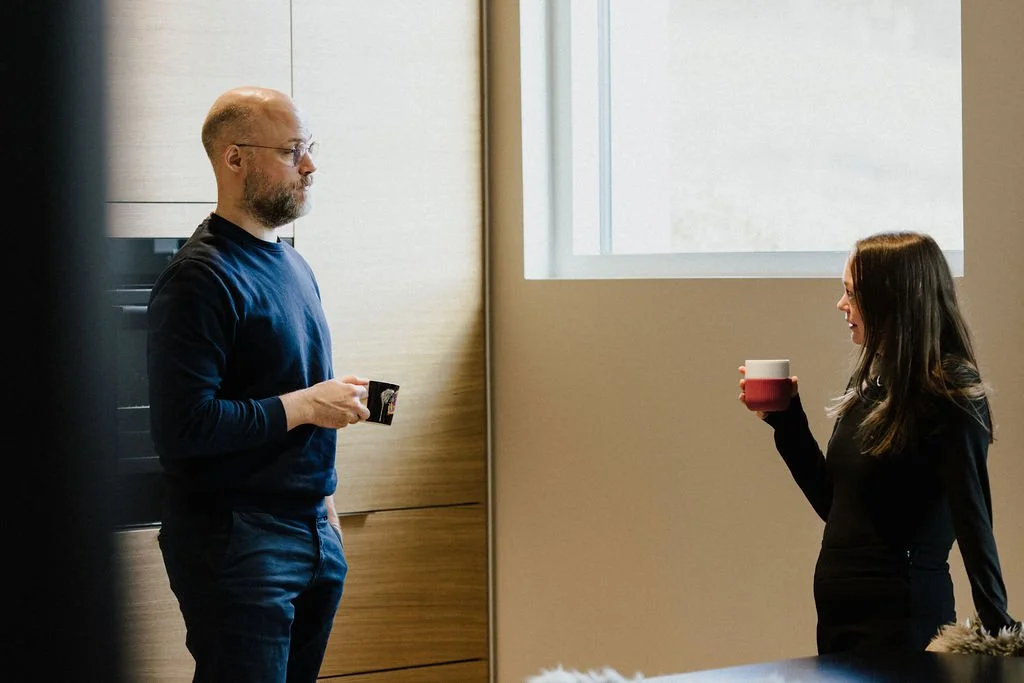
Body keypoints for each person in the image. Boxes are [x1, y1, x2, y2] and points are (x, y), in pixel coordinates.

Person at [147, 86, 371, 682]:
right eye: (293, 149)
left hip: (312, 530)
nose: (310, 165)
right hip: (238, 539)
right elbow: (184, 426)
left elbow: (283, 387)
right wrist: (303, 405)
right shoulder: (200, 277)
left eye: (310, 147)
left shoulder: (293, 264)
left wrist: (325, 504)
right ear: (235, 158)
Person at [739, 231, 1020, 655]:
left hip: (901, 615)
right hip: (840, 616)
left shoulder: (949, 394)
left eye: (851, 293)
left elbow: (973, 519)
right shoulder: (871, 386)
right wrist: (787, 424)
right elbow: (839, 509)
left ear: (891, 298)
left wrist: (1004, 637)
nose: (842, 305)